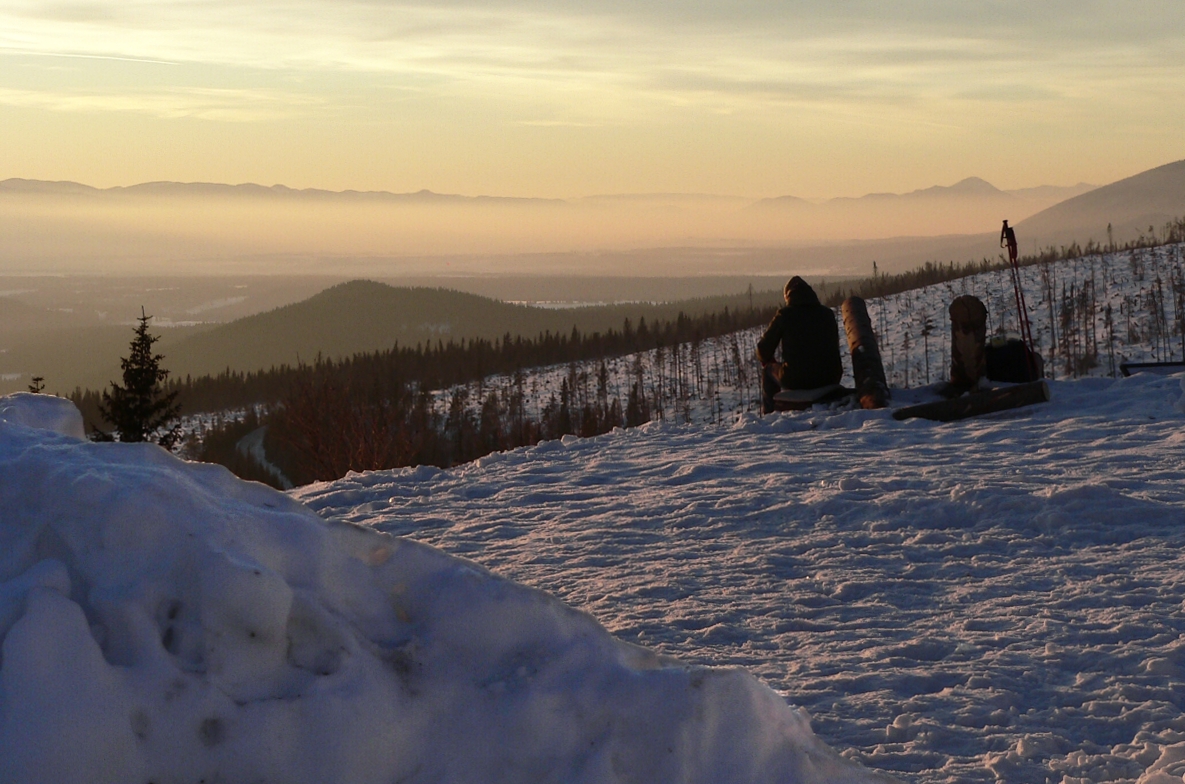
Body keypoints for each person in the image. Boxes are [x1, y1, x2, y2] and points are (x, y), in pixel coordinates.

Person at [756, 277, 843, 414]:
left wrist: (768, 360)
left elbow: (763, 350)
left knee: (768, 371)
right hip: (830, 376)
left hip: (796, 379)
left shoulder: (785, 315)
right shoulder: (827, 314)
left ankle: (769, 414)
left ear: (788, 296)